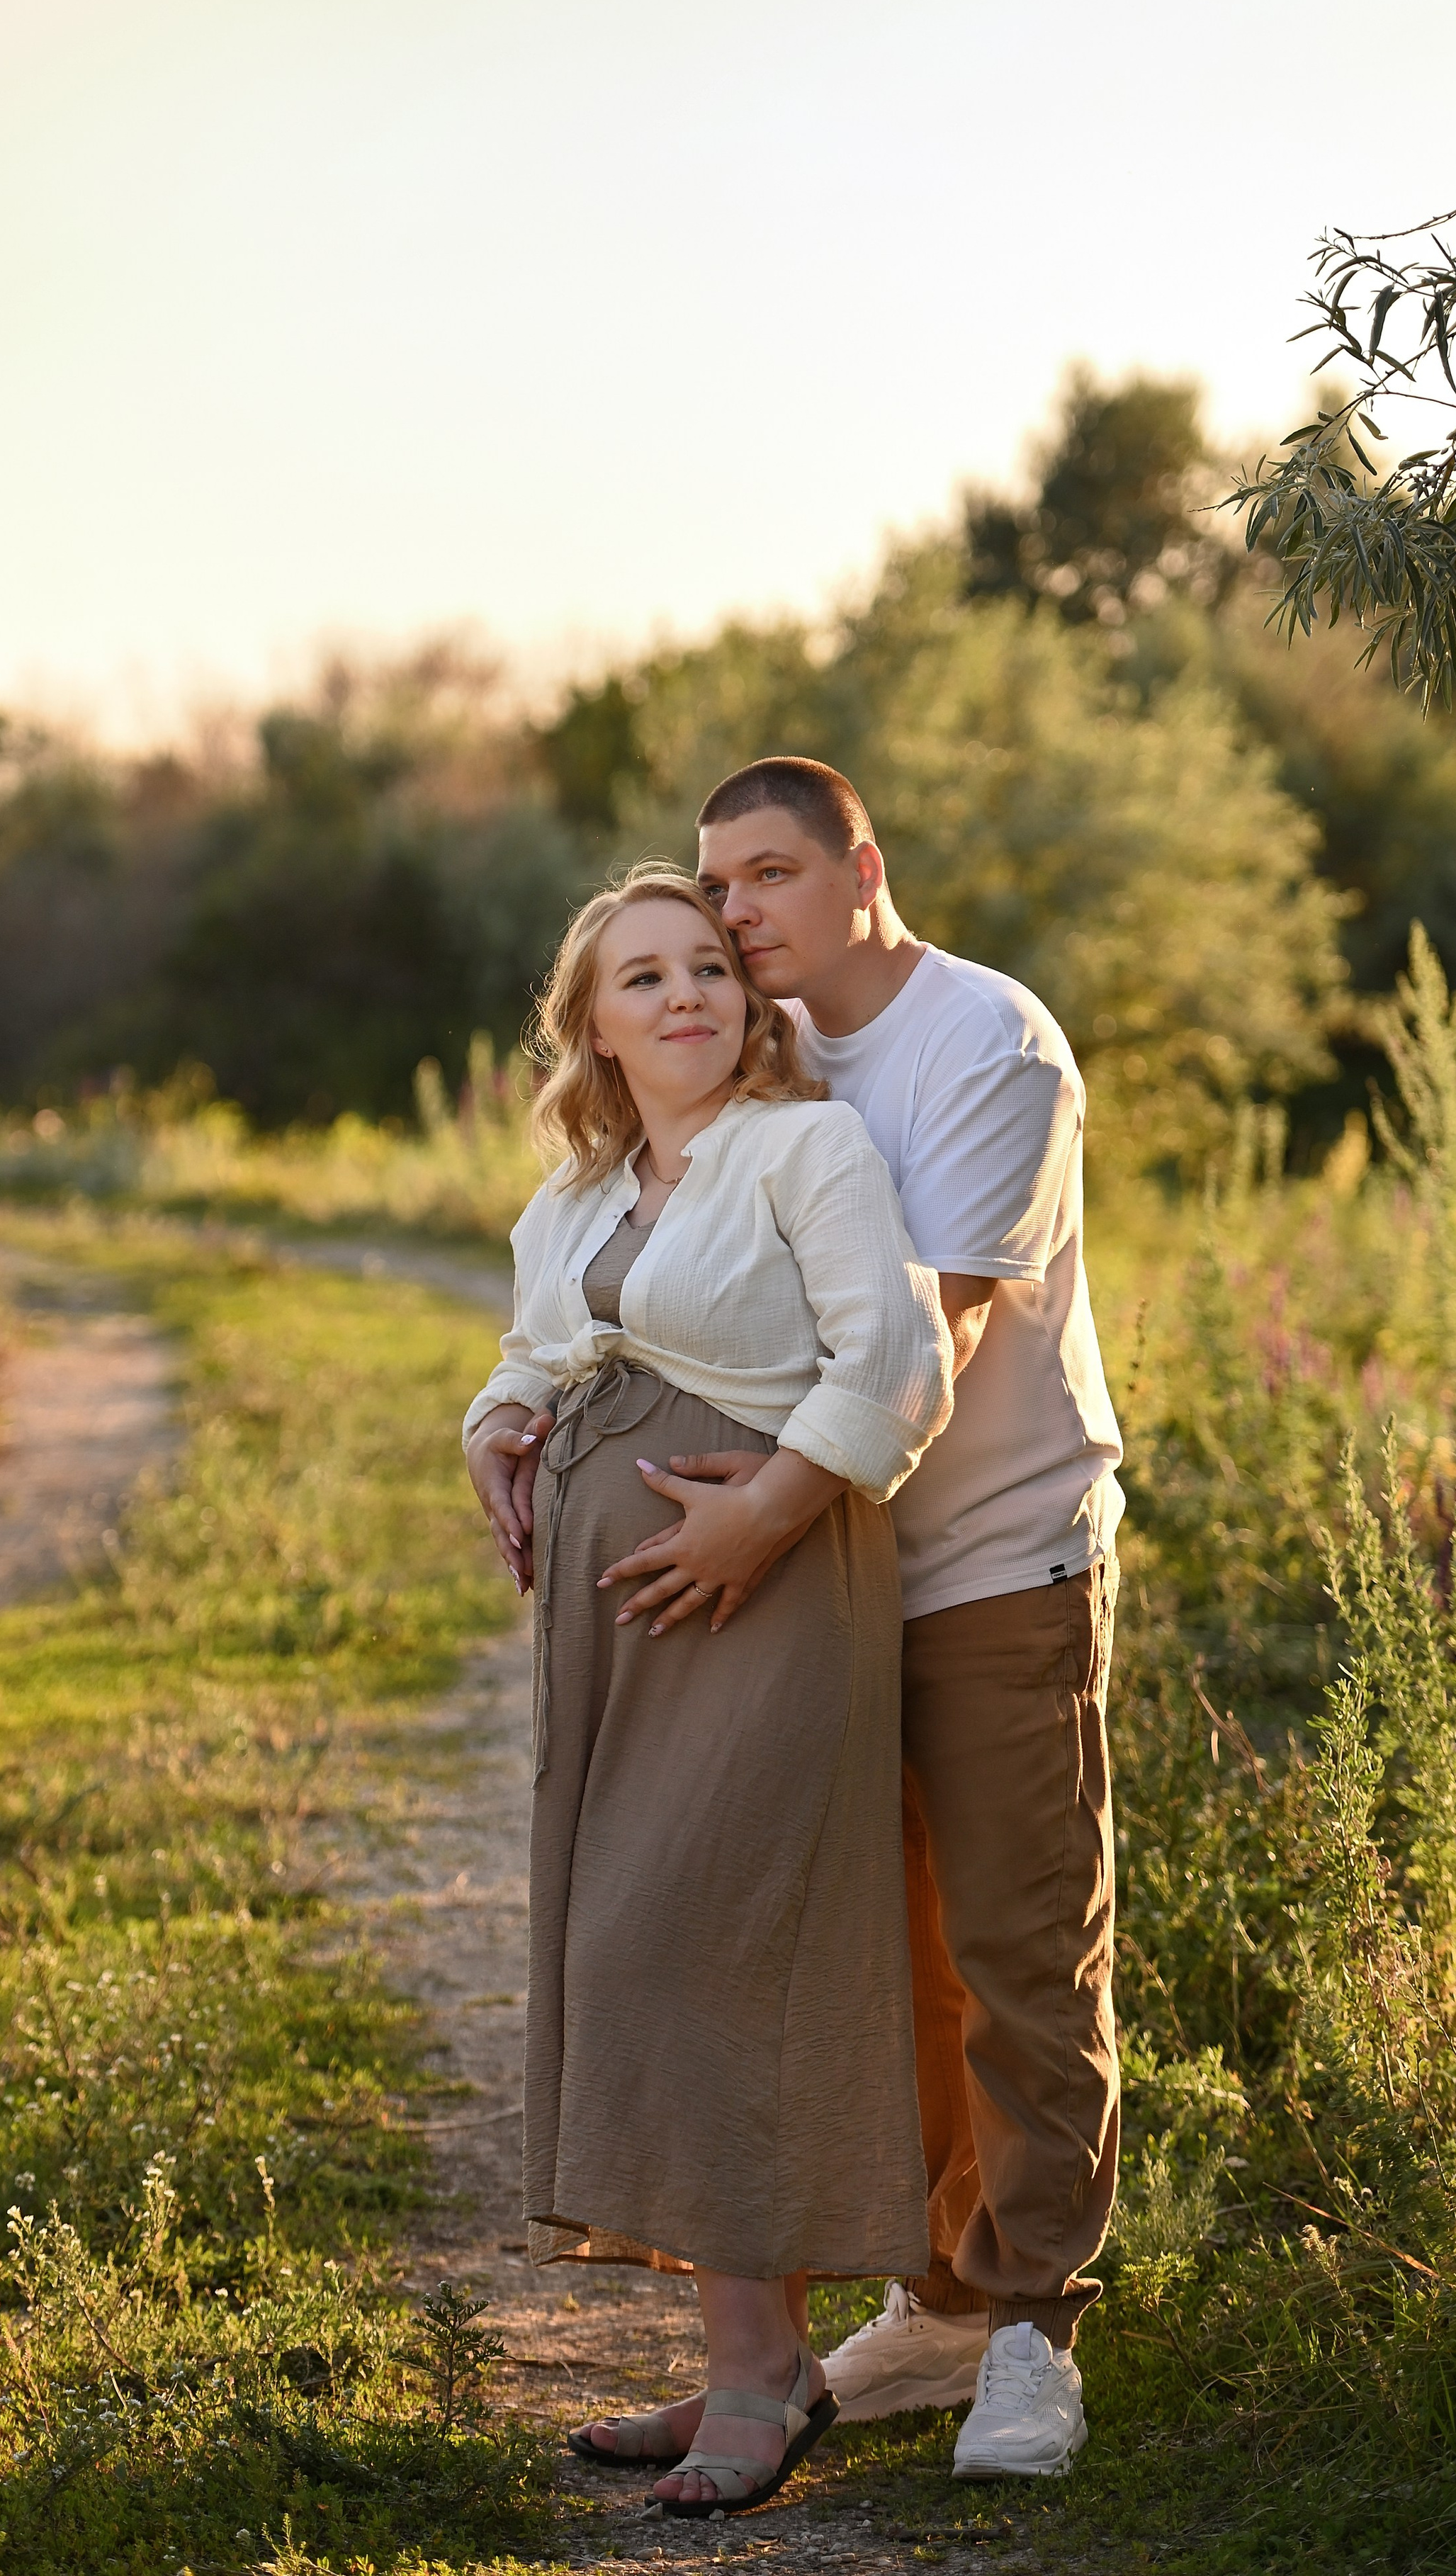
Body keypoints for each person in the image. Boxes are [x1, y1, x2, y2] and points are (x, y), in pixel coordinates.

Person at [587, 758, 1123, 2482]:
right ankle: (933, 2304)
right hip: (823, 1587)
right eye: (715, 885)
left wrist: (754, 1514)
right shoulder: (762, 1052)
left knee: (1016, 1955)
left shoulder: (986, 1044)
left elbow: (932, 1334)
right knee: (862, 1965)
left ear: (860, 868)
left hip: (984, 1562)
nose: (734, 913)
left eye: (767, 875)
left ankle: (1033, 2332)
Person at [463, 865, 952, 2518]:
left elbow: (895, 1363)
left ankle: (757, 2377)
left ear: (745, 1007)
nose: (683, 995)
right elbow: (536, 1352)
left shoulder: (804, 1149)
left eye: (705, 969)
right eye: (643, 977)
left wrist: (763, 1517)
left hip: (773, 1592)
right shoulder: (579, 1193)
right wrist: (493, 1427)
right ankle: (758, 2360)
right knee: (645, 1950)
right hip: (622, 1630)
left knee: (709, 1947)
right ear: (592, 1026)